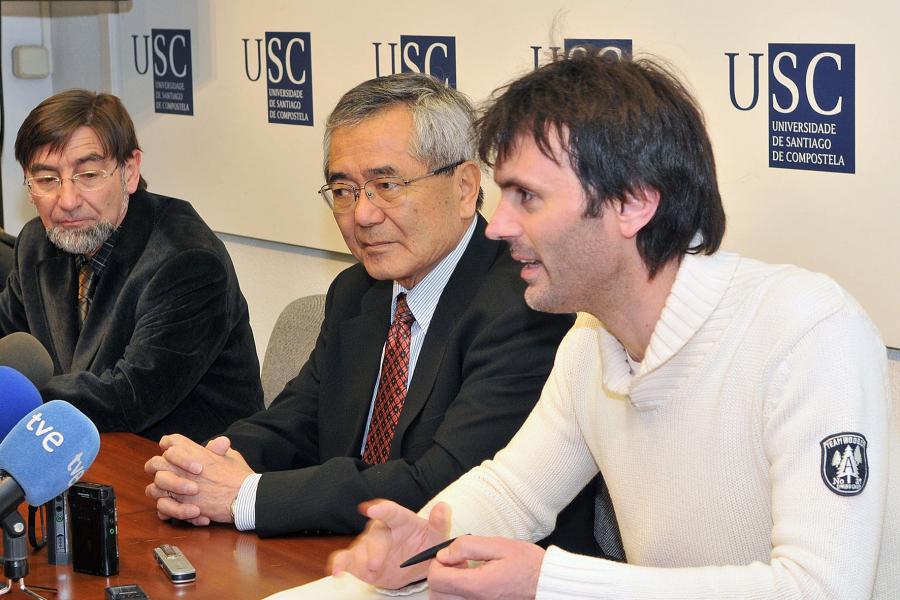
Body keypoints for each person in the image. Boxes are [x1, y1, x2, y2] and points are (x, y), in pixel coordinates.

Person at [330, 55, 895, 599]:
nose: (498, 225)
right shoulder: (590, 339)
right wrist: (426, 538)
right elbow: (514, 491)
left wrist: (550, 584)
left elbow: (820, 589)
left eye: (527, 196)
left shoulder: (810, 332)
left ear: (632, 204)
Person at [142, 73, 589, 543]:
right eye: (344, 190)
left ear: (463, 187)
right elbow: (297, 421)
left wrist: (247, 496)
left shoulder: (524, 307)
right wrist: (203, 466)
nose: (363, 215)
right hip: (354, 555)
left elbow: (445, 485)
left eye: (387, 185)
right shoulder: (357, 292)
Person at [1, 89, 263, 442]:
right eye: (47, 180)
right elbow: (10, 349)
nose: (66, 201)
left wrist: (16, 398)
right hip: (78, 455)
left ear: (130, 171)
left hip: (184, 471)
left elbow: (131, 398)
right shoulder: (37, 243)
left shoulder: (188, 261)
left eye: (89, 175)